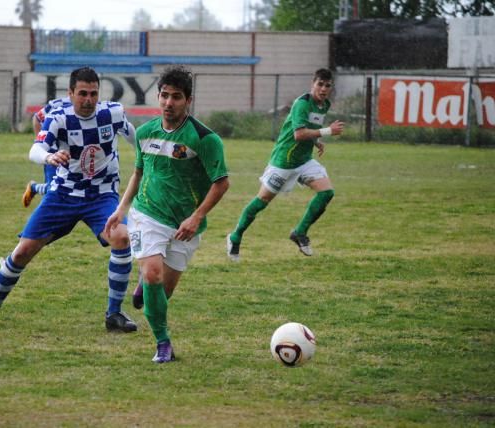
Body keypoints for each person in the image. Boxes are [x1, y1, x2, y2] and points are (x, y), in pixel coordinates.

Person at [0, 66, 138, 333]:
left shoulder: (113, 113)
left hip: (102, 195)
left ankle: (114, 314)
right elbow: (35, 148)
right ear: (70, 93)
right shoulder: (59, 118)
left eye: (93, 93)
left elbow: (137, 139)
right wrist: (49, 157)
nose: (88, 99)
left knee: (121, 236)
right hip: (63, 195)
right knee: (23, 251)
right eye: (82, 93)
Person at [105, 65, 230, 363]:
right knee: (152, 274)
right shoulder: (145, 132)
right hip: (147, 214)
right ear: (158, 97)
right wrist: (122, 209)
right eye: (164, 95)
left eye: (176, 97)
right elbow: (138, 172)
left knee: (163, 290)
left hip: (185, 225)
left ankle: (147, 291)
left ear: (188, 100)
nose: (168, 102)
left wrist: (197, 217)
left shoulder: (205, 139)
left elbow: (222, 183)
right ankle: (163, 343)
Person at [226, 68, 344, 261]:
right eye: (320, 84)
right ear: (312, 84)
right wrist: (327, 132)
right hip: (285, 161)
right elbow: (298, 134)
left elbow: (310, 127)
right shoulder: (302, 103)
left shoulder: (324, 105)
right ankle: (235, 236)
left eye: (327, 85)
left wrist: (316, 141)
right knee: (262, 200)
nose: (323, 89)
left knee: (326, 192)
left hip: (304, 160)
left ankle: (299, 232)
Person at [21, 97, 70, 207]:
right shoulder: (59, 104)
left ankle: (34, 188)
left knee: (64, 186)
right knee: (52, 189)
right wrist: (41, 144)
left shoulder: (91, 106)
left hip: (72, 154)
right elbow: (37, 118)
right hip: (52, 152)